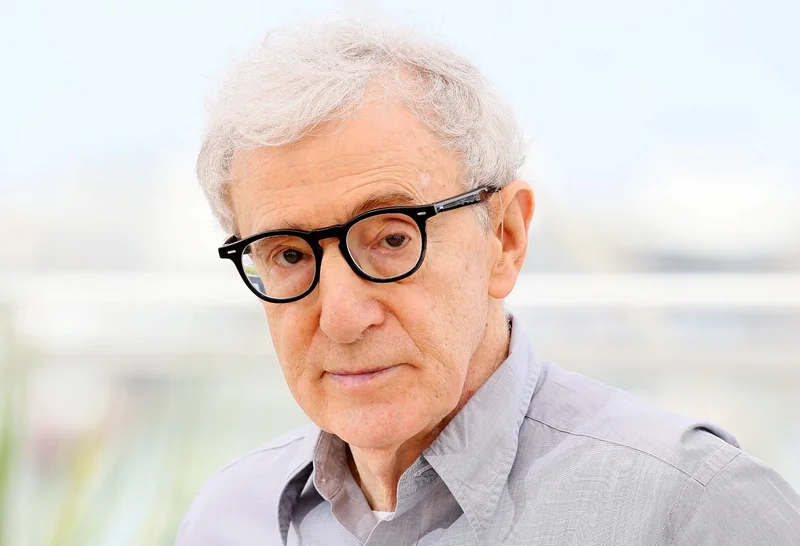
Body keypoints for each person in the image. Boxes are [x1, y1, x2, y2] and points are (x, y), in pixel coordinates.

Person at [175, 18, 800, 546]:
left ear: (505, 238)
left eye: (392, 239)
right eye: (288, 254)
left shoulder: (691, 507)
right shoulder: (228, 518)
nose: (340, 317)